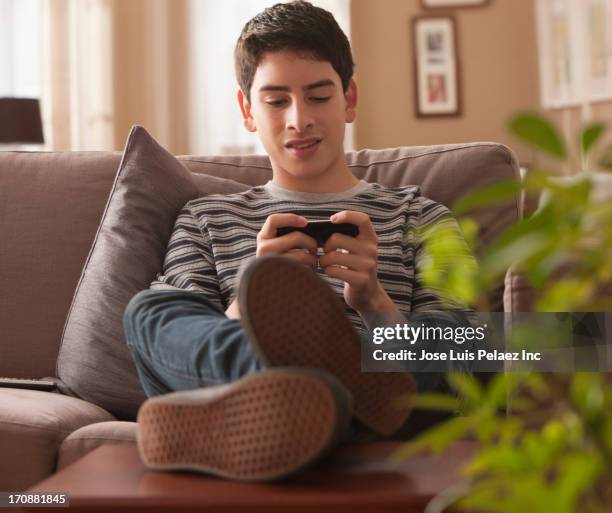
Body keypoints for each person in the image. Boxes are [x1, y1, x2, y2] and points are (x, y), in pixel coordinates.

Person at [123, 0, 473, 483]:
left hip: (382, 377)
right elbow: (184, 343)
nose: (298, 119)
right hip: (264, 387)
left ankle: (302, 404)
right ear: (248, 109)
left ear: (349, 99)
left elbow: (465, 355)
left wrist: (375, 302)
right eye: (276, 100)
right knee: (149, 311)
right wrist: (247, 301)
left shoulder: (424, 216)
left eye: (318, 96)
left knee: (472, 339)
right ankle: (306, 401)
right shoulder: (205, 218)